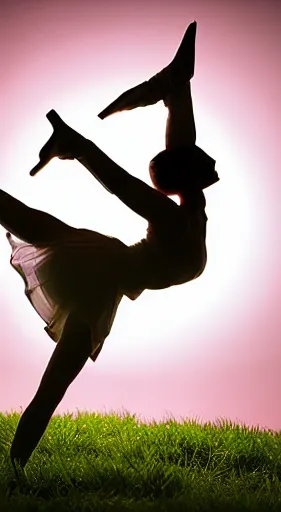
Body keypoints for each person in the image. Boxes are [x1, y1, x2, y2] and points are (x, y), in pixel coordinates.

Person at [7, 21, 218, 469]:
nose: (212, 163)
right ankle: (16, 467)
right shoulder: (170, 221)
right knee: (34, 226)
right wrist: (80, 148)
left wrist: (178, 91)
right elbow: (125, 189)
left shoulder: (187, 207)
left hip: (116, 267)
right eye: (203, 163)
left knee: (38, 227)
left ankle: (15, 467)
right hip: (111, 269)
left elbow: (176, 152)